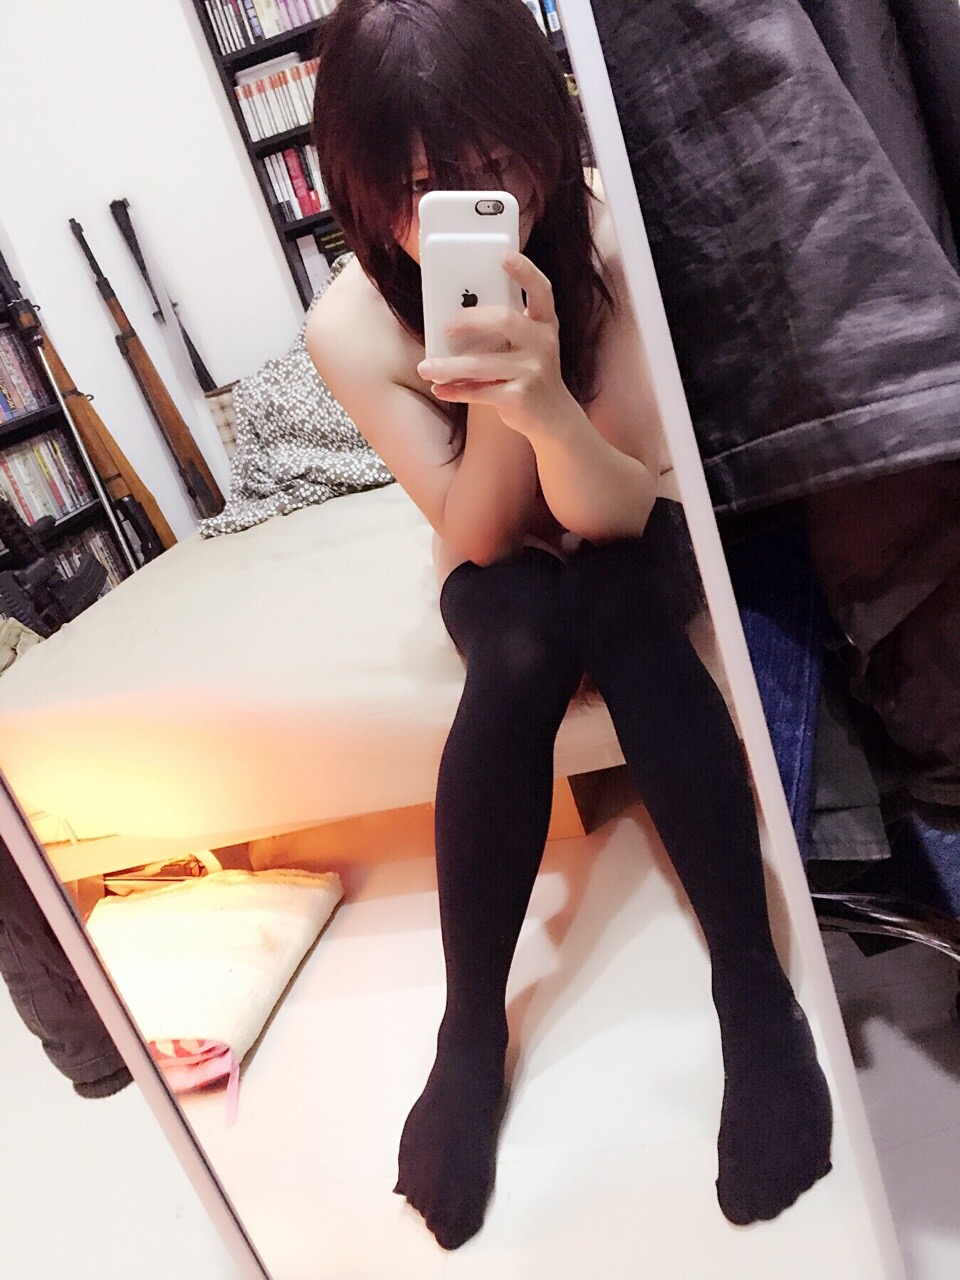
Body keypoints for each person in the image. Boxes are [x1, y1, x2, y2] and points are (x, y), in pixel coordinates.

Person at [306, 0, 832, 1251]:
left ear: (540, 130)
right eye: (423, 185)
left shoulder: (609, 240)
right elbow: (480, 539)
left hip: (626, 512)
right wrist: (497, 397)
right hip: (496, 553)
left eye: (496, 160)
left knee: (614, 595)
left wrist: (545, 398)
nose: (471, 202)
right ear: (363, 187)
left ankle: (753, 994)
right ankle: (468, 1032)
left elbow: (619, 506)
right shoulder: (351, 326)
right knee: (522, 632)